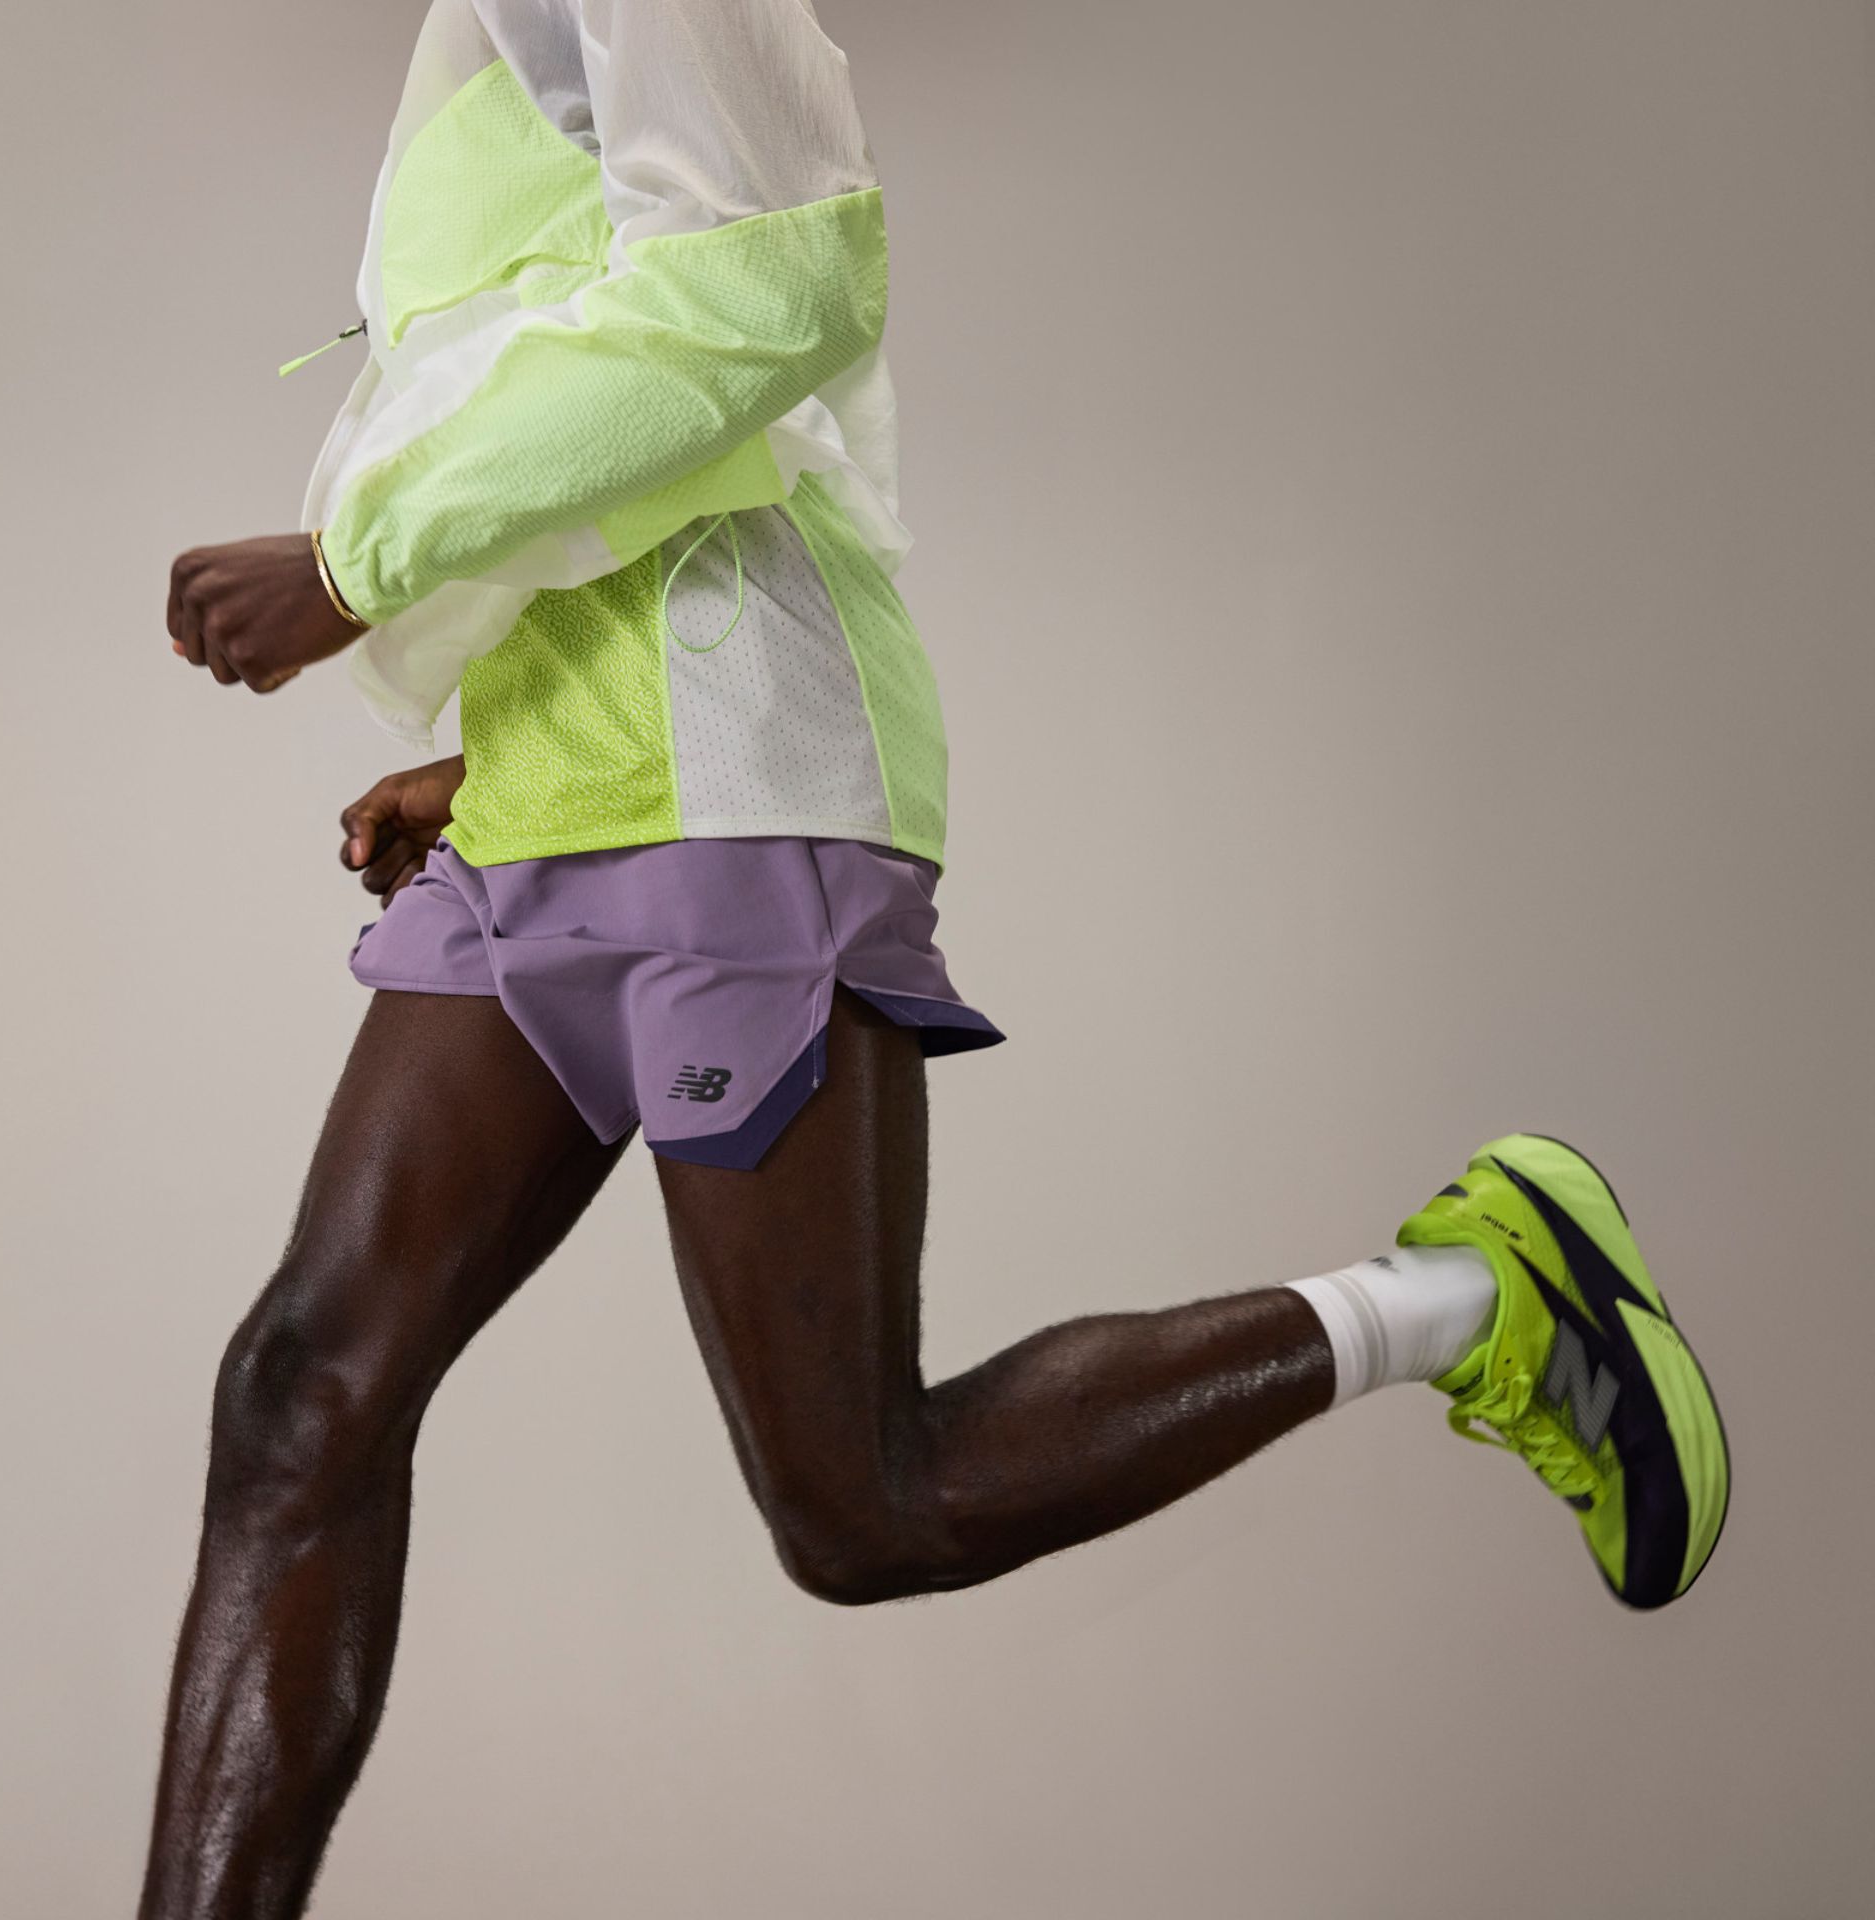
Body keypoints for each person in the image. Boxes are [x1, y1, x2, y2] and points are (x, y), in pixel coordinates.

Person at [142, 2, 1731, 1913]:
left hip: (736, 769)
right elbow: (624, 393)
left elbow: (767, 298)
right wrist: (498, 749)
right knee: (300, 1392)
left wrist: (354, 564)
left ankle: (1478, 1294)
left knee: (863, 1503)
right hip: (565, 786)